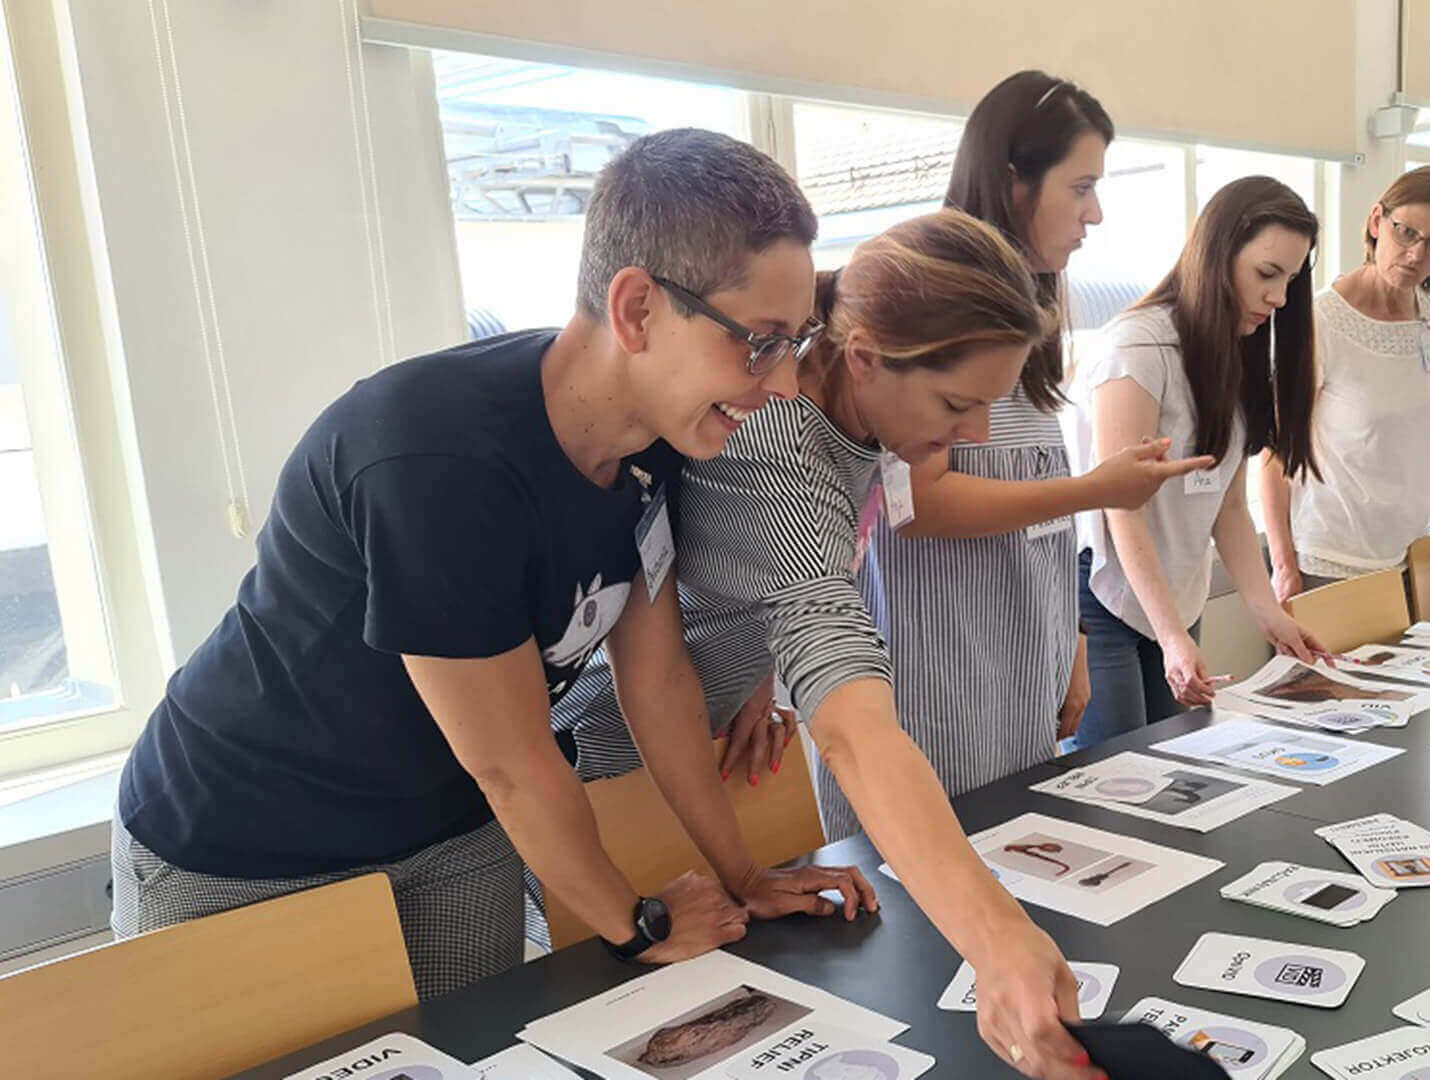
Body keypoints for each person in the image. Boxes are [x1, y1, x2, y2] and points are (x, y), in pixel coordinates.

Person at [109, 129, 872, 999]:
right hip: (248, 840)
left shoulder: (655, 443)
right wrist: (639, 926)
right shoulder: (436, 460)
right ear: (637, 311)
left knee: (483, 1047)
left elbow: (655, 681)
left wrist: (742, 875)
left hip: (449, 826)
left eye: (795, 344)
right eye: (760, 341)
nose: (780, 386)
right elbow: (509, 761)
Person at [569, 209, 1103, 1080]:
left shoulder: (849, 418)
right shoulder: (778, 437)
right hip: (614, 764)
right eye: (957, 405)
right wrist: (1000, 941)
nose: (973, 437)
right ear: (864, 358)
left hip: (707, 736)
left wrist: (759, 685)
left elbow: (730, 564)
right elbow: (849, 712)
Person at [845, 71, 1211, 840]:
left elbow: (1038, 510)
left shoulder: (1036, 311)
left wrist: (1069, 649)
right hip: (934, 682)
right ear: (1013, 181)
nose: (1095, 214)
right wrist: (1093, 492)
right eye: (1079, 187)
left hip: (1019, 675)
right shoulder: (935, 294)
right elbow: (917, 504)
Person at [1068, 177, 1327, 745]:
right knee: (1114, 775)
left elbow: (1227, 502)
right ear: (1217, 254)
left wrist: (1267, 611)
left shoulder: (1234, 348)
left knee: (1178, 759)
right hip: (1104, 590)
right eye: (1267, 274)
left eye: (1290, 279)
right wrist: (1170, 637)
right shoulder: (1137, 348)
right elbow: (1121, 509)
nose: (1279, 298)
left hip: (1177, 592)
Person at [1260, 166, 1430, 598]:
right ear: (1376, 221)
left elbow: (1425, 431)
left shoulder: (1429, 311)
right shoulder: (1319, 321)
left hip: (1413, 552)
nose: (1416, 254)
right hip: (1332, 559)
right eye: (1406, 232)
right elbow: (1275, 455)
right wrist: (1284, 565)